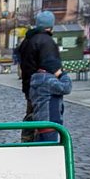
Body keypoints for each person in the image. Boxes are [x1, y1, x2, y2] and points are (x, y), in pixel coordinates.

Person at [17, 11, 61, 141]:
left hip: (29, 85)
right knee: (42, 118)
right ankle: (38, 144)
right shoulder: (47, 42)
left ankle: (27, 141)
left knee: (31, 114)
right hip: (43, 87)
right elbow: (51, 65)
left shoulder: (28, 40)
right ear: (51, 25)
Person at [29, 59, 72, 142]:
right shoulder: (48, 81)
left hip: (40, 120)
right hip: (50, 122)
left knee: (42, 147)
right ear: (54, 69)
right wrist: (63, 75)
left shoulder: (37, 79)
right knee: (50, 149)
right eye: (59, 69)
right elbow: (66, 88)